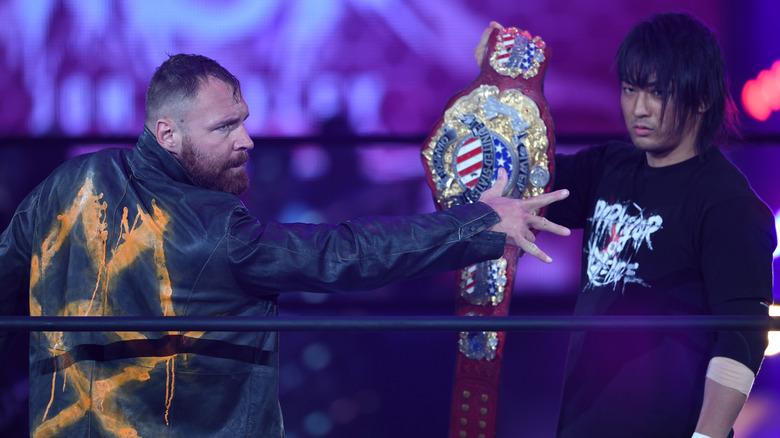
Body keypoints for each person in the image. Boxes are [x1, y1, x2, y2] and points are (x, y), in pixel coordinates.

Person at [0, 54, 570, 437]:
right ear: (166, 134)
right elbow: (343, 254)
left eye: (243, 121)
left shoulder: (65, 185)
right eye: (225, 127)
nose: (247, 140)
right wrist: (476, 224)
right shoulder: (215, 225)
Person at [478, 12, 776, 438]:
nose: (639, 108)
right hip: (582, 424)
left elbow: (743, 337)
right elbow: (513, 178)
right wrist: (494, 83)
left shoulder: (728, 205)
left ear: (702, 97)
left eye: (658, 92)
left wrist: (707, 436)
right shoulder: (607, 167)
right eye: (630, 89)